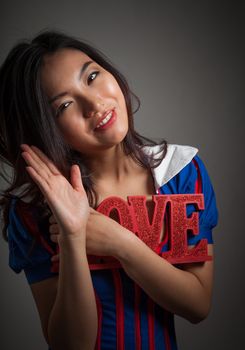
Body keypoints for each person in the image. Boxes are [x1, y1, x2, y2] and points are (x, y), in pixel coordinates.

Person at [0, 30, 218, 350]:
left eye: (91, 76)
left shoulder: (181, 172)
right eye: (64, 106)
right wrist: (73, 237)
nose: (95, 103)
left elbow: (198, 305)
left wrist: (121, 243)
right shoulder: (34, 210)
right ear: (43, 128)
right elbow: (71, 345)